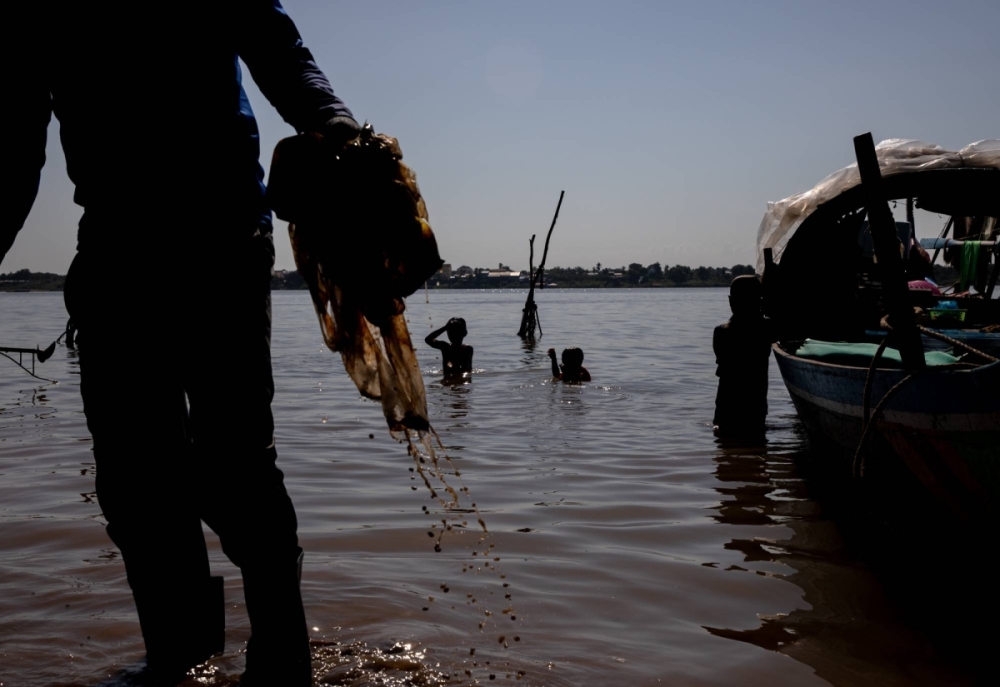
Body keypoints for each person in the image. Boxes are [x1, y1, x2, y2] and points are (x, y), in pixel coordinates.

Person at [2, 3, 360, 685]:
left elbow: (281, 52)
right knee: (136, 481)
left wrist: (334, 126)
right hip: (113, 248)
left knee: (235, 467)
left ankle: (283, 661)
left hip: (222, 238)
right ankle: (183, 656)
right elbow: (15, 146)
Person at [713, 275, 772, 439]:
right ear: (759, 302)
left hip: (725, 412)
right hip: (754, 413)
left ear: (731, 302)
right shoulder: (765, 329)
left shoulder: (721, 332)